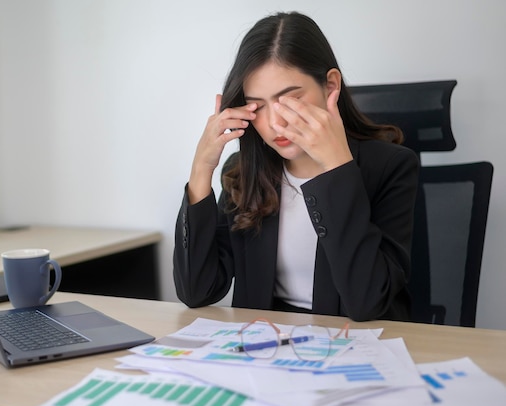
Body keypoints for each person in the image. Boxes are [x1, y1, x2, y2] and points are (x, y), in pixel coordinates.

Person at [172, 11, 419, 322]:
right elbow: (197, 291)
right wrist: (201, 171)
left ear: (330, 86)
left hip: (351, 350)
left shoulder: (390, 167)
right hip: (267, 349)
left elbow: (367, 302)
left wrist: (336, 167)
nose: (275, 122)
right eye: (257, 106)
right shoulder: (244, 173)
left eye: (288, 100)